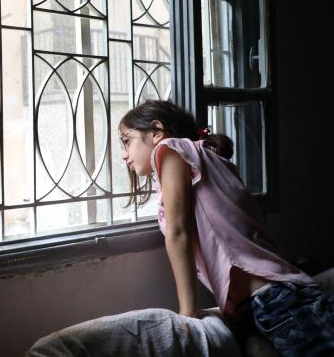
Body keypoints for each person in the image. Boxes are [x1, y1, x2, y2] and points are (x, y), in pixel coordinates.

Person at [118, 99, 333, 356]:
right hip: (266, 303)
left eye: (126, 140)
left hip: (275, 301)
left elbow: (178, 232)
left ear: (156, 131)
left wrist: (187, 314)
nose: (124, 154)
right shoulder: (206, 155)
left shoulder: (170, 149)